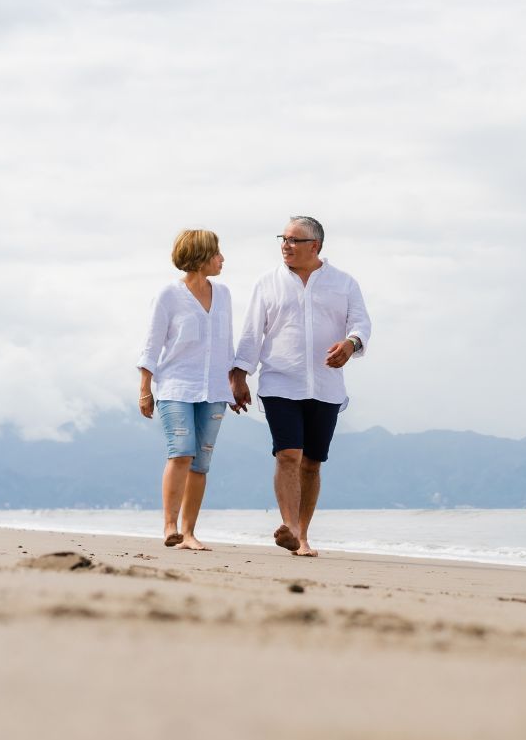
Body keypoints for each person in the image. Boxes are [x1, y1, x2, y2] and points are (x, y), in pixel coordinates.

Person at [230, 215, 371, 557]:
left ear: (315, 246)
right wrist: (238, 375)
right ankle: (289, 526)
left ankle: (303, 536)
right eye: (283, 238)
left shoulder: (344, 283)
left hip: (326, 386)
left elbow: (361, 324)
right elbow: (252, 332)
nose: (286, 245)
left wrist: (351, 345)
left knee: (312, 462)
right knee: (288, 454)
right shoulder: (267, 283)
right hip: (280, 380)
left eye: (294, 240)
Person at [136, 229, 235, 551]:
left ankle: (189, 533)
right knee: (181, 451)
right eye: (217, 253)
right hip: (176, 385)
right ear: (201, 257)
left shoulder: (224, 295)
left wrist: (235, 383)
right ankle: (169, 526)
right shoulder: (168, 295)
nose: (223, 259)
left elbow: (225, 345)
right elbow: (151, 344)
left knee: (201, 463)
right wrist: (145, 389)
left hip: (215, 389)